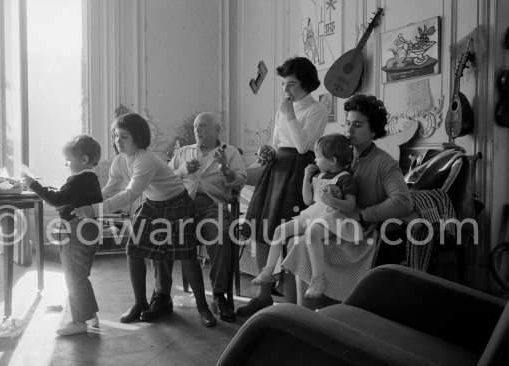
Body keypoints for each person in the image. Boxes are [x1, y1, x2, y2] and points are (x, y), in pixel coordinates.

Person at [72, 113, 216, 327]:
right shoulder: (120, 161)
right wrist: (83, 201)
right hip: (153, 204)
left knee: (187, 256)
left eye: (124, 137)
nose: (117, 141)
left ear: (138, 138)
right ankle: (140, 303)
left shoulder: (145, 160)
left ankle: (203, 308)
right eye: (115, 136)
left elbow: (129, 194)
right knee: (133, 250)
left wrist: (93, 210)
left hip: (178, 203)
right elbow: (110, 189)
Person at [282, 94, 414, 304]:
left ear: (373, 130)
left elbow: (403, 202)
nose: (349, 130)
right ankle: (297, 316)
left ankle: (313, 317)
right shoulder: (339, 155)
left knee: (301, 244)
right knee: (294, 239)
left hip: (358, 235)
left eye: (358, 125)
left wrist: (363, 214)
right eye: (347, 123)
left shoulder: (384, 163)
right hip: (330, 223)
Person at [237, 56, 328, 317]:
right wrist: (266, 150)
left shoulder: (316, 109)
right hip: (277, 169)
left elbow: (303, 146)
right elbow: (277, 143)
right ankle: (263, 296)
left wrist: (289, 115)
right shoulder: (283, 108)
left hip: (299, 171)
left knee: (287, 237)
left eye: (292, 85)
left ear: (306, 84)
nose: (286, 91)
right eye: (284, 85)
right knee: (263, 231)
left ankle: (290, 307)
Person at [252, 134, 363, 298]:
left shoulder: (345, 178)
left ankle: (318, 280)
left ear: (332, 160)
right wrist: (306, 178)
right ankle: (270, 271)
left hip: (332, 217)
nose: (315, 160)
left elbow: (350, 205)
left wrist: (332, 200)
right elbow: (307, 200)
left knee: (311, 234)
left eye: (318, 157)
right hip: (314, 213)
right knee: (279, 231)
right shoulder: (319, 176)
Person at [169, 112, 247, 322]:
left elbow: (240, 182)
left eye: (203, 126)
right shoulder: (184, 152)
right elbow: (166, 179)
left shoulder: (229, 152)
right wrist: (182, 170)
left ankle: (220, 296)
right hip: (183, 207)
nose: (197, 130)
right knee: (163, 234)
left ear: (217, 130)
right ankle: (161, 296)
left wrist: (226, 170)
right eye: (195, 126)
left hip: (213, 206)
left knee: (221, 235)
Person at [23, 134, 103, 336]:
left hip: (74, 230)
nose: (66, 164)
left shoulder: (77, 180)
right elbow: (67, 197)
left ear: (83, 159)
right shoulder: (91, 179)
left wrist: (33, 184)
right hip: (91, 230)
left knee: (73, 277)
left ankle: (78, 321)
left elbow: (56, 200)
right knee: (81, 276)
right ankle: (90, 315)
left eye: (68, 160)